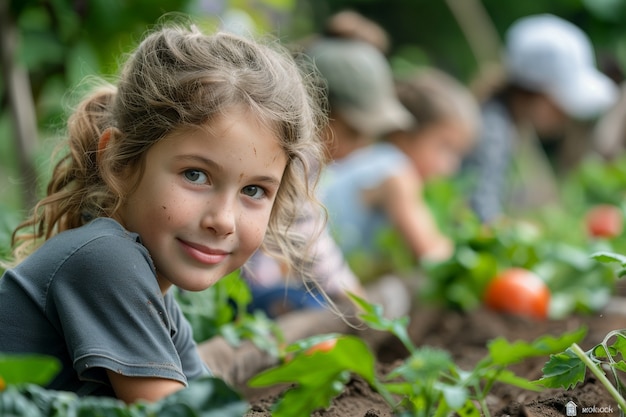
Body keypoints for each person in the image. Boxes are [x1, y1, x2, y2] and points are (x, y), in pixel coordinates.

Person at [0, 22, 327, 403]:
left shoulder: (157, 297)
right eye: (195, 175)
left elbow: (203, 402)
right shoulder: (106, 260)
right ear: (118, 161)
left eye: (253, 190)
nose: (222, 220)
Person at [241, 34, 415, 317]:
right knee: (313, 308)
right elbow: (306, 237)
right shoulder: (292, 156)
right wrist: (351, 295)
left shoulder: (308, 158)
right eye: (354, 132)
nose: (362, 145)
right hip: (237, 282)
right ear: (316, 112)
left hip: (252, 276)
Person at [321, 68, 480, 279]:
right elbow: (432, 254)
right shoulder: (396, 172)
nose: (451, 166)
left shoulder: (374, 157)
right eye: (445, 147)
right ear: (405, 133)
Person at [463, 14, 618, 223]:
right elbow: (479, 217)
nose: (567, 116)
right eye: (561, 104)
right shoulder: (492, 134)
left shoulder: (504, 124)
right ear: (535, 94)